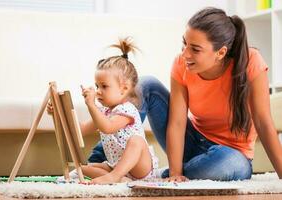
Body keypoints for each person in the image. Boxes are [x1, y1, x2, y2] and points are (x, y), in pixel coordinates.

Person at [88, 7, 282, 181]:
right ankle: (100, 164)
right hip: (192, 142)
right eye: (185, 44)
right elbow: (178, 122)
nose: (185, 54)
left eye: (195, 49)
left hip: (231, 155)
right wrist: (175, 172)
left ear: (221, 53)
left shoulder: (251, 61)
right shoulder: (181, 63)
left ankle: (152, 175)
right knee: (146, 85)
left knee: (228, 164)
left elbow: (264, 122)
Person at [49, 37, 158, 184]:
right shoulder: (105, 113)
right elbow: (79, 130)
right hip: (116, 166)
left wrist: (91, 105)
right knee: (82, 168)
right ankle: (120, 179)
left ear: (124, 88)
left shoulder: (127, 110)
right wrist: (58, 114)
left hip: (140, 169)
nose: (98, 91)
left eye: (104, 86)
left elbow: (107, 127)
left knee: (136, 141)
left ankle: (114, 177)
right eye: (97, 86)